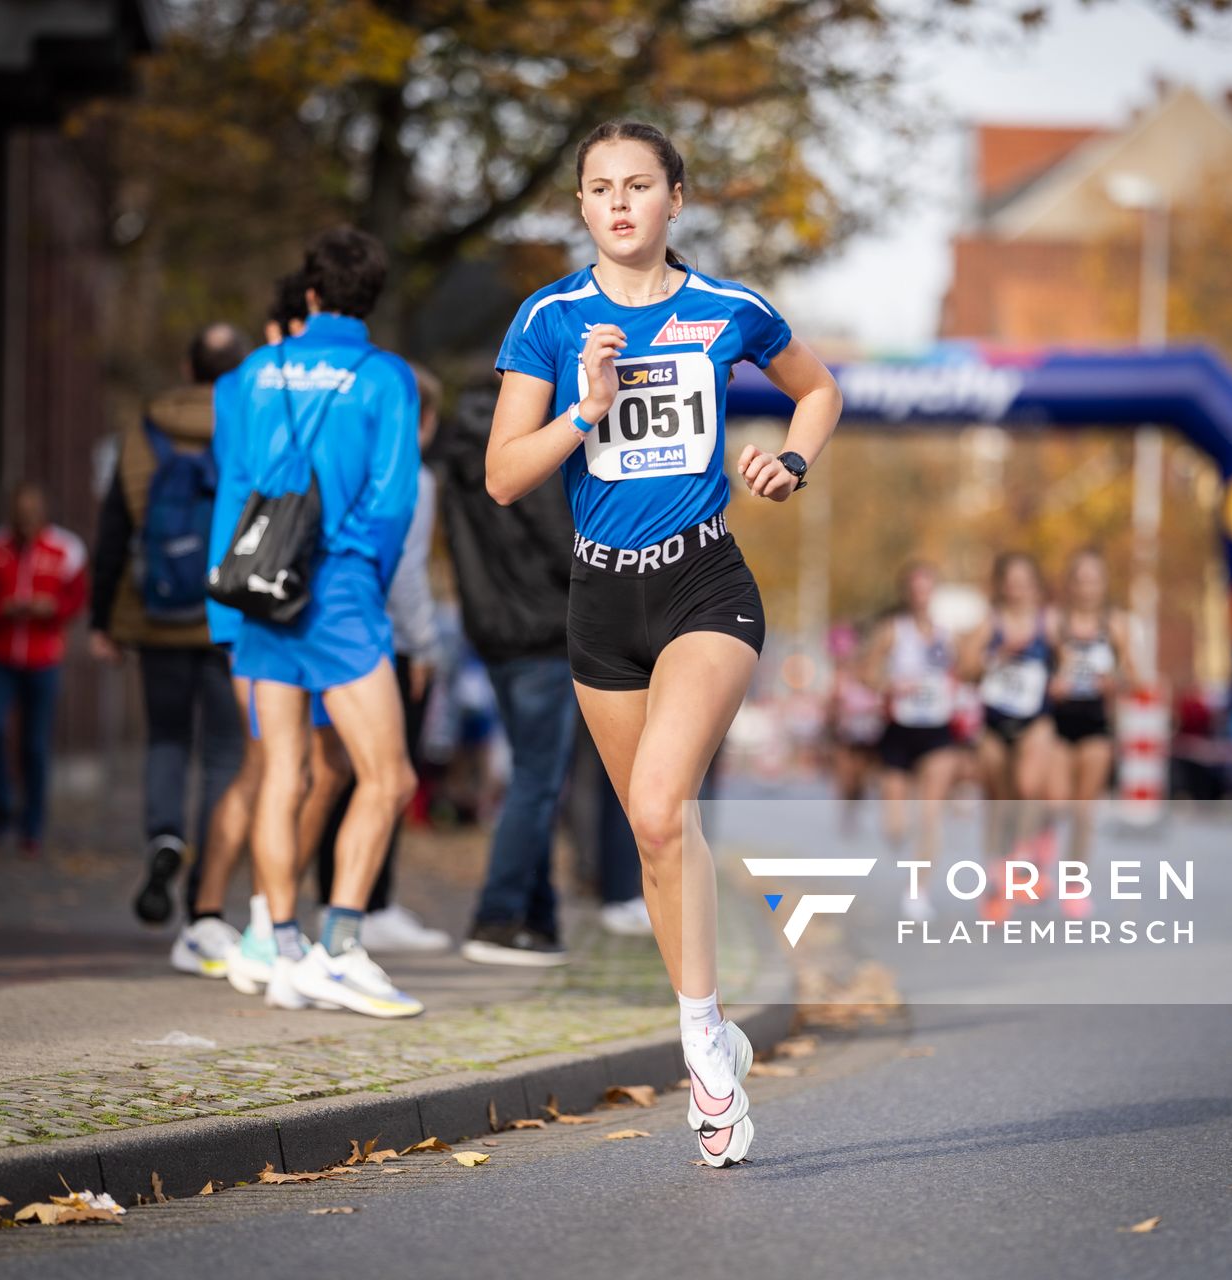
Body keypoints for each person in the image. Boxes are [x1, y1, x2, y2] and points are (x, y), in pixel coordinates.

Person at [486, 120, 842, 1165]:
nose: (620, 204)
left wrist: (790, 459)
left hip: (704, 583)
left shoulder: (729, 310)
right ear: (584, 208)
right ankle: (710, 1018)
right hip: (601, 597)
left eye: (639, 185)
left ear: (676, 198)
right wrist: (585, 409)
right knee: (653, 835)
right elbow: (506, 475)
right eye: (600, 189)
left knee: (655, 801)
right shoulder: (550, 318)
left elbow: (818, 389)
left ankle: (699, 1047)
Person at [211, 225, 424, 1018]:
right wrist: (361, 574)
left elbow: (234, 486)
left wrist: (224, 607)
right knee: (389, 775)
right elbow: (394, 499)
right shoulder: (385, 376)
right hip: (335, 591)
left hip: (259, 590)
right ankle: (338, 945)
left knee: (282, 773)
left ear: (308, 293)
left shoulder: (257, 372)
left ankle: (281, 946)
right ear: (369, 298)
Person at [198, 273, 358, 988]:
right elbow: (254, 485)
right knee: (275, 765)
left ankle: (269, 918)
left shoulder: (288, 386)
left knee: (321, 768)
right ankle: (238, 921)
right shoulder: (253, 387)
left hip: (306, 601)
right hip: (261, 594)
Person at [88, 322, 252, 949]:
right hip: (228, 616)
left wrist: (102, 620)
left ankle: (164, 839)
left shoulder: (144, 429)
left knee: (164, 739)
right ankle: (203, 902)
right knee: (221, 755)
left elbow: (113, 531)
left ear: (187, 367)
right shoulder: (251, 422)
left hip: (154, 613)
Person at [438, 381, 583, 964]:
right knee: (538, 781)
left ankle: (538, 919)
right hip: (544, 631)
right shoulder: (525, 445)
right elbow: (564, 543)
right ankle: (496, 917)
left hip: (492, 631)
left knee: (534, 777)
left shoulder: (459, 453)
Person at [310, 363, 449, 955]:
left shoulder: (340, 462)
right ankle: (366, 909)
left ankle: (309, 910)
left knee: (328, 775)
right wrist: (423, 645)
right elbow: (407, 575)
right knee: (389, 776)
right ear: (426, 420)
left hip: (321, 632)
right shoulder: (412, 477)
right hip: (379, 642)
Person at [0, 482, 89, 856]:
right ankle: (0, 813)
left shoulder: (66, 549)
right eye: (21, 515)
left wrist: (53, 609)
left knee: (35, 744)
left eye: (34, 514)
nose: (27, 522)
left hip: (45, 657)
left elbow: (77, 597)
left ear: (44, 514)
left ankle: (32, 827)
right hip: (0, 656)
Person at [958, 552, 1058, 919]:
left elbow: (1070, 660)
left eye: (1024, 582)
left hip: (1036, 719)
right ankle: (996, 879)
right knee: (998, 802)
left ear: (1035, 585)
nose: (1017, 590)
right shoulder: (991, 623)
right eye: (1010, 582)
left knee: (1029, 787)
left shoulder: (1048, 623)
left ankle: (1022, 856)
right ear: (1002, 586)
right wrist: (993, 655)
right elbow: (966, 670)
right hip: (996, 722)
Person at [863, 562, 963, 920]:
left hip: (937, 729)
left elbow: (966, 672)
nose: (921, 596)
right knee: (896, 827)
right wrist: (889, 686)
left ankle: (917, 892)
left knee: (930, 815)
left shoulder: (947, 635)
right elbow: (867, 673)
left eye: (927, 588)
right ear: (907, 594)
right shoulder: (893, 631)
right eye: (915, 589)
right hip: (899, 729)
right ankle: (899, 839)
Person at [1047, 548, 1131, 911]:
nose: (1087, 588)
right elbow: (1033, 670)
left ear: (1103, 584)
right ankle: (1038, 852)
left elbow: (1135, 676)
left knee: (1083, 811)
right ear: (1070, 584)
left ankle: (1074, 885)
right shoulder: (1054, 624)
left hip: (1095, 723)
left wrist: (1115, 682)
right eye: (1080, 580)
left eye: (1094, 580)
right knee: (1055, 801)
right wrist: (1053, 682)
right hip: (1057, 723)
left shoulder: (1114, 625)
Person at [825, 621, 885, 836]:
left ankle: (854, 807)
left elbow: (881, 695)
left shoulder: (868, 672)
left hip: (867, 734)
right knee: (846, 776)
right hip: (844, 735)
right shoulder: (838, 678)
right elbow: (829, 709)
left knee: (859, 779)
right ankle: (846, 811)